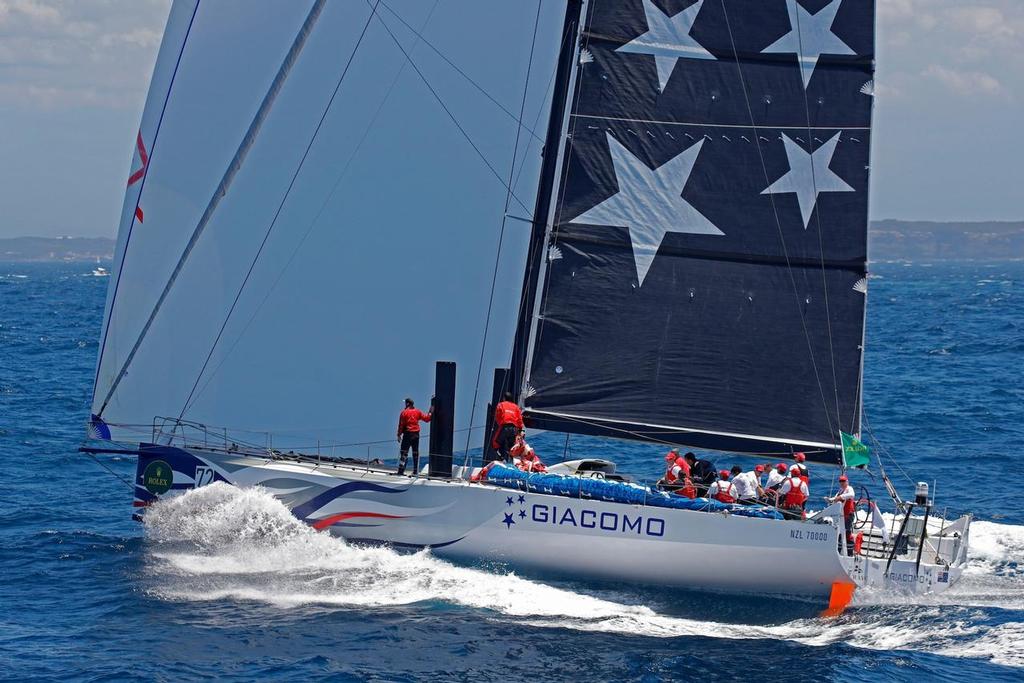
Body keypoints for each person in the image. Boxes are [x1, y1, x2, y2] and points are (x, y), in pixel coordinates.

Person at [396, 397, 432, 476]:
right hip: (416, 435)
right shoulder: (418, 412)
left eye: (405, 403)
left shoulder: (404, 413)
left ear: (408, 404)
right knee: (415, 453)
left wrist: (399, 435)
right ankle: (415, 471)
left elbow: (401, 425)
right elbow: (427, 419)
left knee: (404, 453)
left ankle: (401, 471)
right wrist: (430, 412)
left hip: (408, 434)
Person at [490, 392, 524, 462]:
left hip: (504, 427)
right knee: (511, 447)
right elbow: (520, 419)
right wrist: (520, 430)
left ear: (504, 398)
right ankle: (512, 461)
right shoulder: (516, 407)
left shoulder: (501, 405)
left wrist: (501, 424)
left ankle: (502, 459)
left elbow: (497, 416)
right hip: (514, 429)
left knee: (495, 444)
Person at [828, 474, 857, 555]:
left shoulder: (849, 488)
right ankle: (839, 551)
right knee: (840, 533)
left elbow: (851, 495)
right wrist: (830, 500)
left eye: (843, 481)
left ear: (847, 481)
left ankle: (849, 553)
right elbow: (835, 498)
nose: (842, 483)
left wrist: (840, 497)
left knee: (847, 533)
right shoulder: (840, 490)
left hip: (848, 515)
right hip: (841, 515)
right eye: (840, 481)